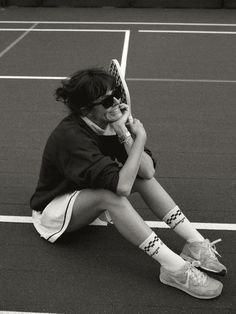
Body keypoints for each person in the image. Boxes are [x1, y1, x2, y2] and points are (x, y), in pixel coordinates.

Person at [30, 68, 226, 299]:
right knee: (111, 196)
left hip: (84, 191)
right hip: (54, 211)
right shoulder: (72, 137)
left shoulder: (108, 122)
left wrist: (124, 132)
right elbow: (122, 188)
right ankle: (174, 269)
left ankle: (195, 243)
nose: (115, 103)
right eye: (105, 101)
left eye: (116, 95)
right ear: (86, 110)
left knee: (140, 178)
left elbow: (146, 171)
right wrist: (139, 138)